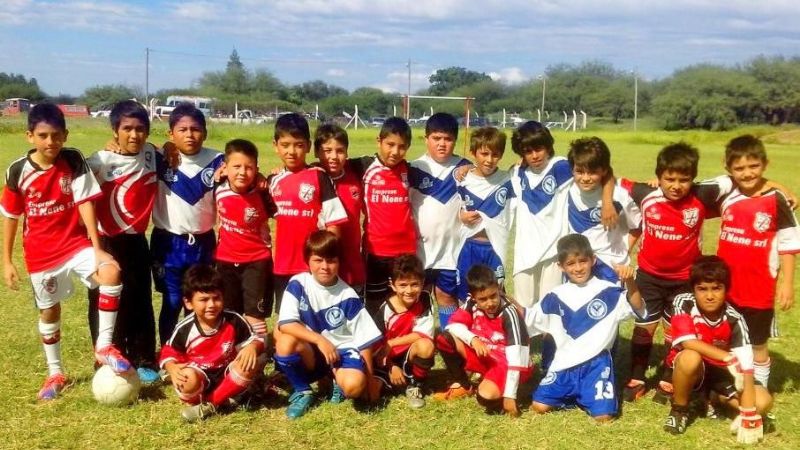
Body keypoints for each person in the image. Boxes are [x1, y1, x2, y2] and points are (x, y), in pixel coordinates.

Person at [1, 103, 129, 400]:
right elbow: (10, 216)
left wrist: (97, 249)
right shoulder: (18, 170)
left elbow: (85, 201)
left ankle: (104, 345)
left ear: (66, 135)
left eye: (57, 136)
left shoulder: (72, 160)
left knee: (111, 270)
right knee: (50, 310)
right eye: (43, 136)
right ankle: (55, 372)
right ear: (29, 136)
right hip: (41, 255)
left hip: (75, 245)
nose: (51, 142)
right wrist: (6, 261)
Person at [619, 142, 733, 402]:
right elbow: (608, 178)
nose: (676, 185)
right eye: (669, 179)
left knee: (677, 331)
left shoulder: (703, 195)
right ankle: (637, 376)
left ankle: (669, 376)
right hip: (648, 275)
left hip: (684, 280)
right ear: (658, 177)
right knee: (644, 327)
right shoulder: (643, 192)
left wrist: (779, 187)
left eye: (684, 179)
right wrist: (605, 201)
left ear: (693, 179)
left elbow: (737, 177)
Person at [525, 234, 645, 421]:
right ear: (561, 266)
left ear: (593, 260)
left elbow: (637, 308)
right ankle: (578, 395)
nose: (578, 268)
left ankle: (588, 394)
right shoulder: (555, 295)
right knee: (539, 406)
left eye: (583, 261)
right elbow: (529, 317)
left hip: (597, 364)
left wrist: (630, 282)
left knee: (603, 418)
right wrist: (504, 300)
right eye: (571, 264)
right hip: (564, 364)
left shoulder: (609, 292)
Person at [716, 135, 800, 390]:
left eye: (753, 166)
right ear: (729, 169)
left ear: (765, 163)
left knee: (757, 343)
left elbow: (788, 245)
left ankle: (759, 390)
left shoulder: (776, 200)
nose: (747, 173)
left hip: (759, 288)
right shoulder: (727, 193)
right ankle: (730, 385)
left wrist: (787, 284)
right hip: (726, 285)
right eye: (739, 168)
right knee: (728, 337)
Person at [86, 100, 159, 384]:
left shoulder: (153, 153)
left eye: (140, 129)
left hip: (137, 240)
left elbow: (169, 148)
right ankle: (106, 354)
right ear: (114, 130)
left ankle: (143, 358)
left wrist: (172, 148)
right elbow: (77, 187)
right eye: (126, 128)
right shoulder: (100, 160)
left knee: (140, 299)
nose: (134, 135)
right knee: (102, 301)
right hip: (106, 241)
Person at [273, 230, 382, 419]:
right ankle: (303, 392)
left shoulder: (347, 295)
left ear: (339, 262)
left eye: (331, 260)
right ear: (308, 260)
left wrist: (370, 379)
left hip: (340, 352)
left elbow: (365, 340)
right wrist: (320, 340)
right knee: (283, 339)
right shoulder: (298, 283)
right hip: (312, 351)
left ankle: (335, 379)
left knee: (354, 387)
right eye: (318, 260)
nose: (325, 266)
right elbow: (286, 324)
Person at [663, 256, 772, 444]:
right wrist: (728, 357)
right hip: (693, 369)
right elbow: (688, 342)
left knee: (763, 402)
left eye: (716, 288)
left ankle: (714, 398)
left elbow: (745, 365)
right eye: (702, 289)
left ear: (726, 290)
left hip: (721, 372)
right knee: (691, 357)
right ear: (693, 289)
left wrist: (748, 414)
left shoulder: (735, 318)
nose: (710, 296)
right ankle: (680, 409)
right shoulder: (683, 302)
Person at [509, 121, 615, 307]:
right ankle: (526, 338)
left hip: (553, 253)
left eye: (539, 149)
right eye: (527, 151)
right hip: (524, 254)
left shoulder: (561, 167)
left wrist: (607, 203)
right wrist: (466, 169)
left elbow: (605, 172)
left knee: (551, 307)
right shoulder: (517, 173)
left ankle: (549, 338)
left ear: (548, 146)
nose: (534, 156)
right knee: (522, 308)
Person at [150, 103, 224, 345]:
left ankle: (196, 348)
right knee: (172, 301)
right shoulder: (160, 158)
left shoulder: (218, 160)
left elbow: (246, 168)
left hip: (203, 242)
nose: (189, 135)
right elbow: (130, 152)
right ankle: (168, 351)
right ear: (171, 134)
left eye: (196, 129)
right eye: (182, 130)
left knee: (200, 301)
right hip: (168, 242)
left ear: (205, 132)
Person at [159, 264, 264, 423]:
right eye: (204, 300)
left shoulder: (233, 320)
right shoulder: (185, 329)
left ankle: (211, 404)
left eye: (216, 298)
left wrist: (253, 346)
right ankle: (227, 398)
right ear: (188, 303)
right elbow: (167, 352)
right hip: (199, 376)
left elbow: (257, 340)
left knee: (250, 362)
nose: (211, 305)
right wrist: (171, 368)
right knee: (187, 379)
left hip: (226, 374)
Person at [267, 114, 347, 316]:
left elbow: (334, 226)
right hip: (283, 266)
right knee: (286, 319)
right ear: (275, 145)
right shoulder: (272, 181)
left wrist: (324, 262)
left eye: (298, 145)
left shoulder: (319, 176)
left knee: (315, 317)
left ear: (309, 146)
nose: (291, 151)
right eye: (285, 145)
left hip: (312, 267)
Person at [434, 264, 531, 417]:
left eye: (493, 296)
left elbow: (518, 358)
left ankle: (518, 390)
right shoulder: (471, 304)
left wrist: (510, 395)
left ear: (499, 289)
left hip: (506, 364)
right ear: (473, 297)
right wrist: (473, 339)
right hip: (485, 355)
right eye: (483, 299)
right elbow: (452, 326)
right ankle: (463, 385)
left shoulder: (509, 313)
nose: (489, 303)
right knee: (443, 339)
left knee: (485, 397)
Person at [409, 113, 472, 327]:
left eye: (447, 139)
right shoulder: (414, 168)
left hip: (450, 253)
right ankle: (421, 343)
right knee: (419, 298)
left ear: (455, 140)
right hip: (421, 252)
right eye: (436, 138)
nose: (442, 144)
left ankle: (449, 342)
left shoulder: (466, 168)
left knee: (446, 297)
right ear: (426, 138)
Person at [214, 139, 276, 347]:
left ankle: (257, 359)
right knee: (229, 311)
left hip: (256, 262)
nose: (242, 172)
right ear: (225, 167)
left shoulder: (263, 193)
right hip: (225, 261)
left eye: (249, 168)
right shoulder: (216, 188)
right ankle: (231, 355)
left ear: (256, 170)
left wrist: (267, 180)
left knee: (254, 313)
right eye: (236, 166)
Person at [357, 117, 417, 314]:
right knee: (375, 301)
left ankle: (402, 342)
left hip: (405, 251)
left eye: (401, 147)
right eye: (390, 144)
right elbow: (331, 165)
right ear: (379, 141)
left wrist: (464, 168)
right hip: (376, 251)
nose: (395, 152)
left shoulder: (409, 170)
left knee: (403, 300)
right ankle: (377, 342)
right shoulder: (364, 167)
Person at [565, 136, 641, 283]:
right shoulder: (566, 188)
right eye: (580, 172)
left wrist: (626, 249)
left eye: (592, 172)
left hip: (611, 268)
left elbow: (637, 225)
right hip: (578, 267)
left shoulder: (619, 196)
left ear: (604, 170)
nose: (585, 178)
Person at [455, 126, 514, 303]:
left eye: (495, 154)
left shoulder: (509, 179)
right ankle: (465, 330)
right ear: (473, 153)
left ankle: (496, 330)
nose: (489, 160)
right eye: (484, 154)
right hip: (468, 247)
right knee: (467, 297)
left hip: (494, 249)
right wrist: (460, 215)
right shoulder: (462, 179)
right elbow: (452, 208)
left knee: (495, 296)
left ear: (501, 155)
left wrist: (521, 164)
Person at [373, 254, 436, 408]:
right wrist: (391, 366)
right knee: (371, 395)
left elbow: (423, 334)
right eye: (403, 285)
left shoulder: (425, 300)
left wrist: (393, 342)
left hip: (409, 355)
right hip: (386, 360)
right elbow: (376, 349)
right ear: (393, 285)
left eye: (415, 284)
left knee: (426, 345)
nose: (409, 290)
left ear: (422, 283)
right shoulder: (385, 310)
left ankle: (415, 384)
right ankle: (391, 380)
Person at [313, 124, 366, 293]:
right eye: (327, 150)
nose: (334, 156)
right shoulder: (309, 176)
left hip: (352, 267)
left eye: (340, 150)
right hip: (321, 268)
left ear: (347, 153)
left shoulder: (357, 173)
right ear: (316, 152)